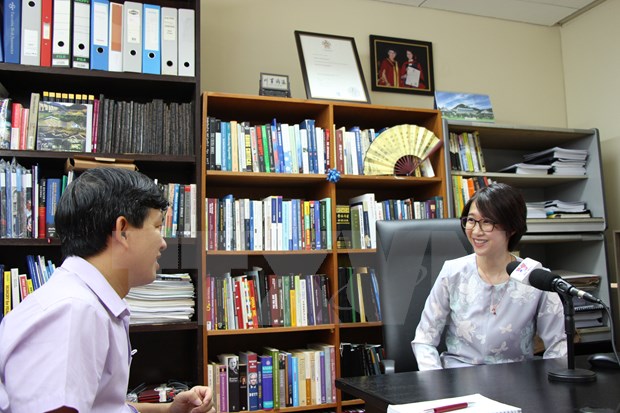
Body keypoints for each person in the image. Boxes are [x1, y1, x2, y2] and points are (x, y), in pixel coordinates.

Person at [0, 168, 215, 413]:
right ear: (122, 230)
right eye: (157, 227)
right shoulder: (74, 312)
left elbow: (101, 407)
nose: (164, 243)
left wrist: (168, 410)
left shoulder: (86, 302)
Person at [411, 183, 567, 370]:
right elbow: (424, 339)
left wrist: (547, 387)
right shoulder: (452, 272)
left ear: (512, 228)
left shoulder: (534, 276)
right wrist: (436, 385)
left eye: (487, 222)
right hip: (458, 379)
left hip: (517, 382)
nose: (476, 231)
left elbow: (559, 346)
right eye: (471, 220)